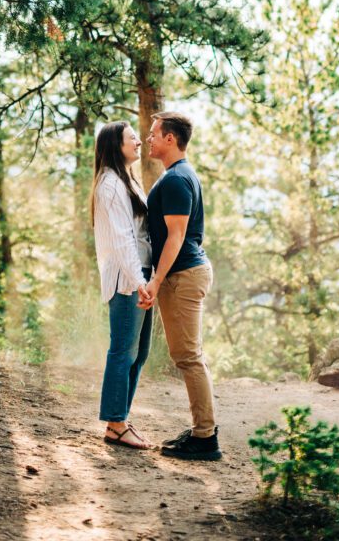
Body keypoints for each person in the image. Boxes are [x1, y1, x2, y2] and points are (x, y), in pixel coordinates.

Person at [139, 111, 221, 461]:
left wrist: (156, 281)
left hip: (183, 275)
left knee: (188, 356)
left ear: (170, 139)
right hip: (186, 272)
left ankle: (205, 438)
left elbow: (176, 236)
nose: (149, 139)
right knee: (187, 355)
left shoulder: (175, 180)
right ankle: (203, 431)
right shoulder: (179, 175)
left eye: (154, 133)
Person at [92, 121, 153, 449]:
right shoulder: (110, 185)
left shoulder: (124, 180)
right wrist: (140, 281)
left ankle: (120, 419)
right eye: (133, 138)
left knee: (139, 352)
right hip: (128, 277)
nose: (139, 141)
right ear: (117, 145)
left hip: (139, 273)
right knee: (123, 350)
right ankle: (115, 423)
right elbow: (122, 240)